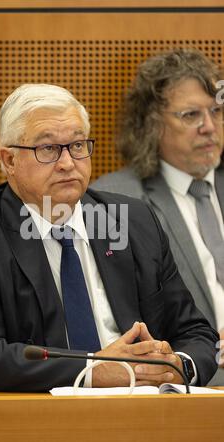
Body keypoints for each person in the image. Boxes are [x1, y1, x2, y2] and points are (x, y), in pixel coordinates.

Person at [0, 83, 218, 392]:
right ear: (9, 161)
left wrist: (178, 366)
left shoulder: (134, 221)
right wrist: (94, 369)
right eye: (48, 149)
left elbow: (196, 332)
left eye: (78, 145)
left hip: (147, 413)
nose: (68, 163)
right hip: (40, 423)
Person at [92, 48, 224, 384]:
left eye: (216, 111)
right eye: (191, 115)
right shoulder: (115, 203)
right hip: (189, 386)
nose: (209, 127)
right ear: (152, 125)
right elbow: (119, 318)